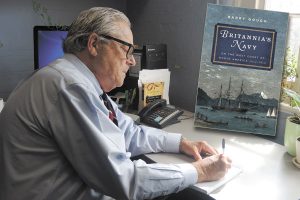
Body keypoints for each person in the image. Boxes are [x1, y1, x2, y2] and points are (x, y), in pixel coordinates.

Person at [0, 7, 231, 200]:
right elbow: (124, 180)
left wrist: (181, 142)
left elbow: (128, 131)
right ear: (93, 44)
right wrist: (199, 171)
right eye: (126, 48)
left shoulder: (73, 79)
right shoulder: (70, 87)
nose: (131, 60)